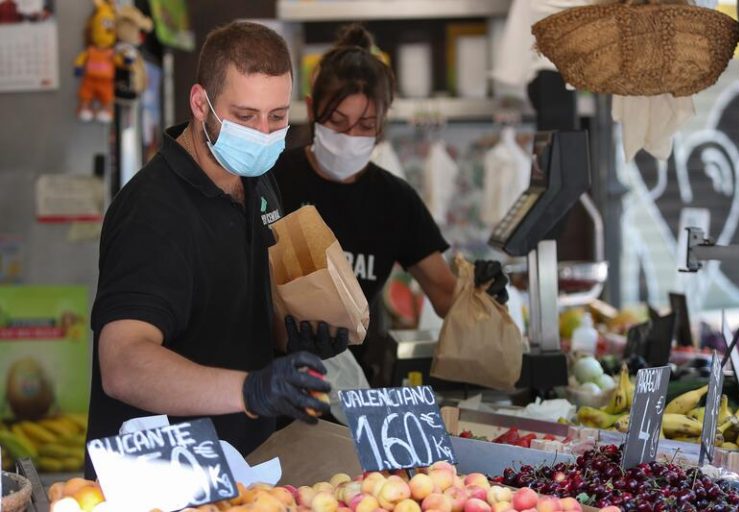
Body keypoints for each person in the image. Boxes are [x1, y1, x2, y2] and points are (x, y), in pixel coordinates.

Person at [85, 21, 348, 479]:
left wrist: (290, 340)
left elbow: (239, 307)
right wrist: (250, 390)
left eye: (277, 116)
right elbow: (123, 363)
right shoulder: (151, 213)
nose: (264, 133)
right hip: (159, 479)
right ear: (199, 103)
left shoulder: (257, 179)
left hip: (245, 468)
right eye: (245, 117)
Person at [272, 24, 508, 384]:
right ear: (311, 108)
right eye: (338, 122)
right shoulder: (274, 180)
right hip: (266, 379)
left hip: (347, 387)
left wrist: (483, 291)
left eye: (365, 125)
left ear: (382, 124)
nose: (350, 137)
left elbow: (445, 295)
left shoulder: (394, 201)